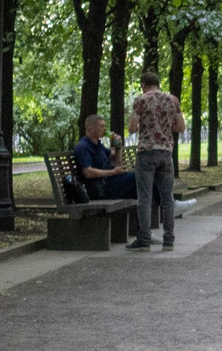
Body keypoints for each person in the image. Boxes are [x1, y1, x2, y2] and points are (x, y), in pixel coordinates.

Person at [125, 67, 184, 251]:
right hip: (166, 153)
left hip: (146, 152)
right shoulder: (173, 100)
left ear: (143, 85)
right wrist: (167, 127)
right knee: (167, 197)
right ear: (158, 84)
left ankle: (143, 241)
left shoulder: (141, 101)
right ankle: (169, 241)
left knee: (145, 197)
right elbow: (181, 127)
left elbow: (132, 128)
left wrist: (142, 122)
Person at [70, 115, 137, 202]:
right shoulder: (83, 147)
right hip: (101, 188)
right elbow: (88, 172)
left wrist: (118, 146)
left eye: (105, 126)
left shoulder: (99, 145)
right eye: (101, 126)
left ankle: (157, 206)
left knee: (141, 190)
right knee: (139, 176)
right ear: (91, 129)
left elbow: (116, 161)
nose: (105, 129)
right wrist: (112, 172)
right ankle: (160, 203)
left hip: (111, 182)